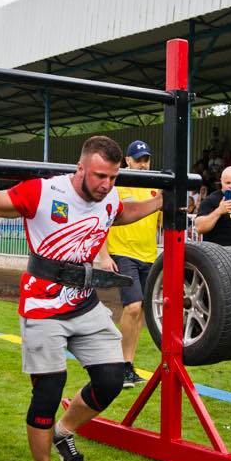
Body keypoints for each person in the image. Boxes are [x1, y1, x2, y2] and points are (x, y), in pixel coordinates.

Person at [0, 136, 163, 461]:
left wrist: (162, 200)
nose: (107, 185)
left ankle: (63, 431)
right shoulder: (43, 192)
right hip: (43, 304)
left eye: (113, 177)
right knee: (49, 390)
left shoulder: (109, 196)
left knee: (112, 379)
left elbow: (121, 213)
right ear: (80, 167)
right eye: (100, 176)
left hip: (84, 302)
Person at [102, 140, 160, 389]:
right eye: (138, 160)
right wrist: (104, 256)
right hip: (122, 254)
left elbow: (161, 222)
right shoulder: (117, 184)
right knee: (133, 307)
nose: (143, 164)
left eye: (146, 159)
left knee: (141, 311)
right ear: (127, 161)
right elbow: (101, 219)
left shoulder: (156, 187)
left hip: (148, 256)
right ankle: (121, 364)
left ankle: (128, 363)